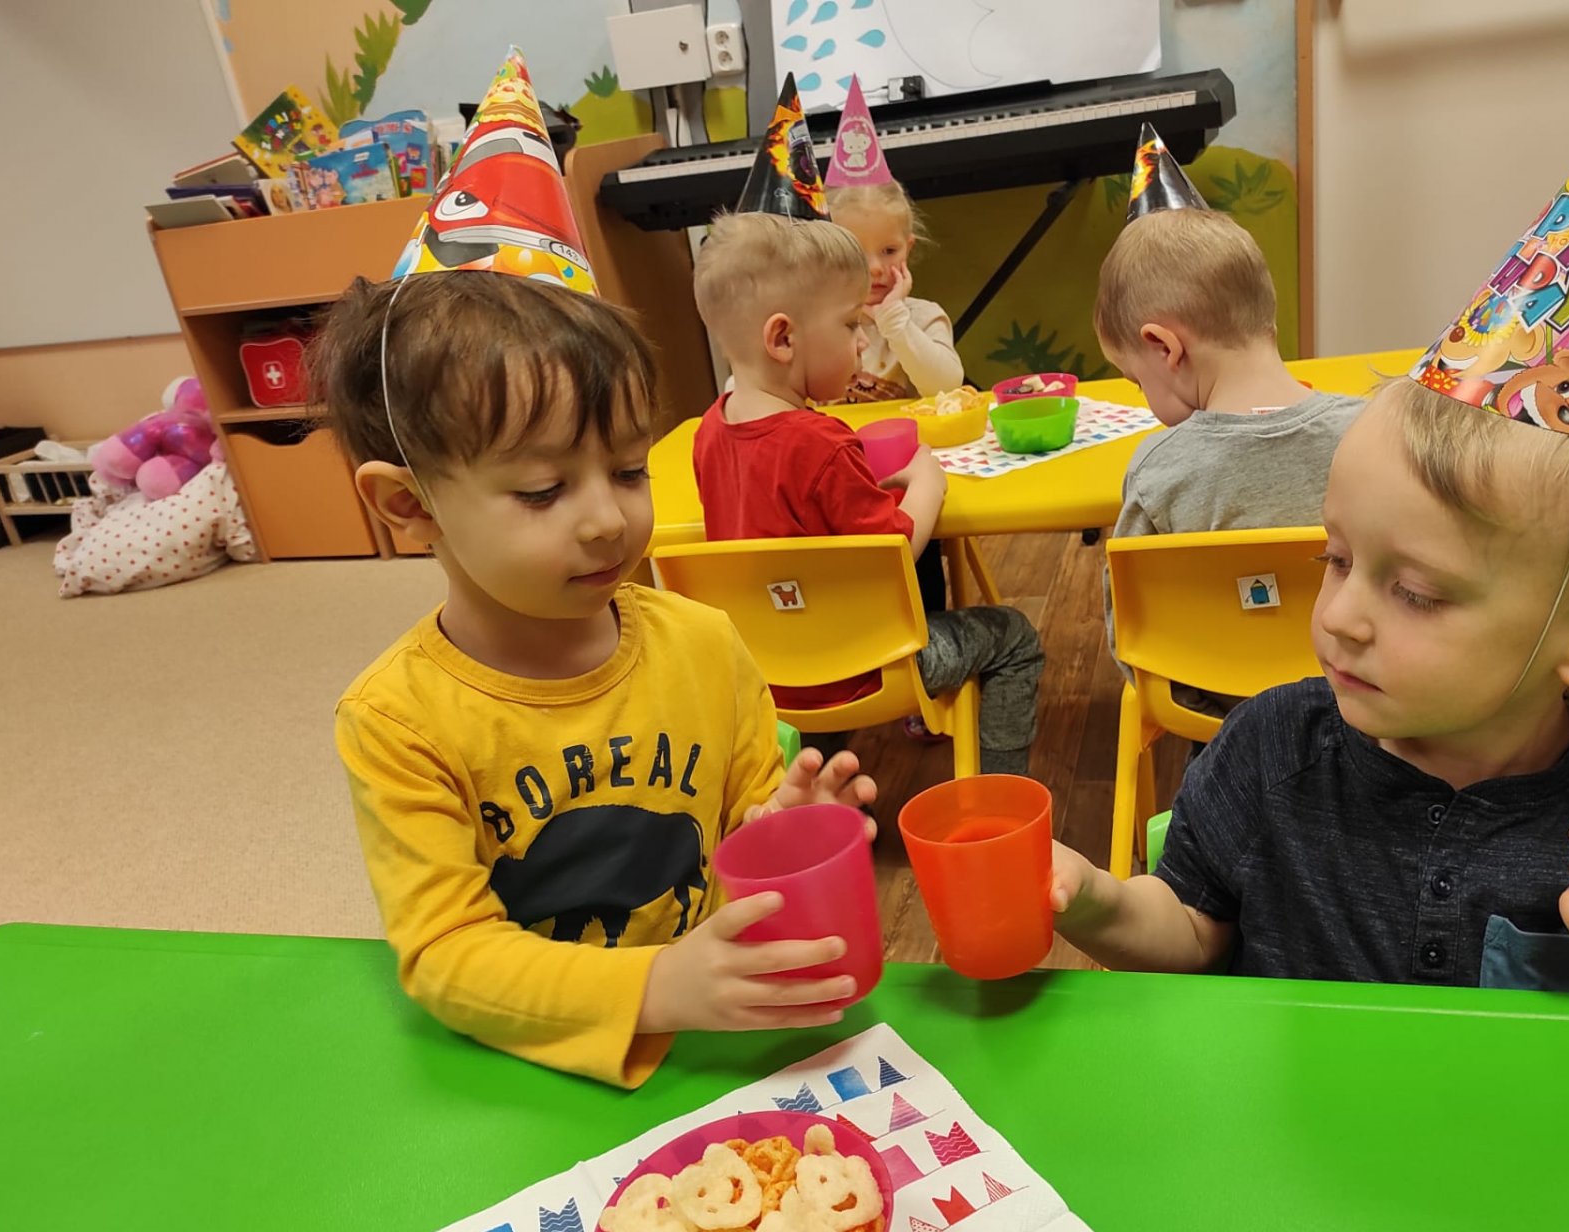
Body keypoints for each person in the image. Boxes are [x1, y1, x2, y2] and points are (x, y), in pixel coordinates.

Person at [1051, 73, 1569, 1000]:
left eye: (1415, 593)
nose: (1339, 617)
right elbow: (1190, 930)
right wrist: (1094, 902)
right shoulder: (1268, 748)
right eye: (1336, 559)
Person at [319, 51, 876, 1090]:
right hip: (530, 1079)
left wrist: (779, 824)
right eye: (542, 490)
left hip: (713, 1055)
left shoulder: (703, 641)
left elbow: (738, 829)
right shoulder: (396, 721)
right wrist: (655, 987)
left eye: (627, 469)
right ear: (408, 504)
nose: (607, 519)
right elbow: (446, 955)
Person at [690, 209, 1044, 776]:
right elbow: (896, 548)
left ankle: (822, 783)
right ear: (783, 338)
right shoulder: (822, 443)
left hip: (771, 670)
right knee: (1015, 638)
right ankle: (1003, 793)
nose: (861, 343)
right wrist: (926, 484)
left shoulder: (711, 430)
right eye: (851, 324)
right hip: (866, 668)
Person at [1095, 126, 1362, 685]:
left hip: (1214, 709)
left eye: (1137, 381)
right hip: (1356, 697)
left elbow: (1132, 638)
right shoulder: (1370, 434)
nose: (1146, 399)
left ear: (1164, 348)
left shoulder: (1157, 470)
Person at [822, 78, 964, 405]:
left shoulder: (923, 318)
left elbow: (945, 387)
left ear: (908, 248)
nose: (875, 268)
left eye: (889, 251)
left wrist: (894, 321)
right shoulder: (815, 322)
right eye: (856, 253)